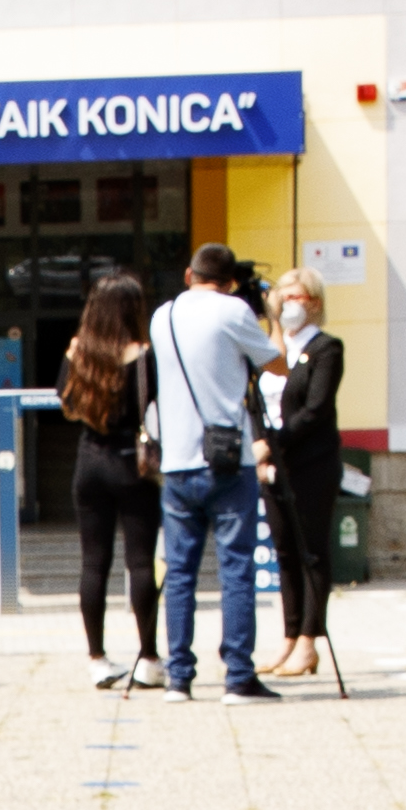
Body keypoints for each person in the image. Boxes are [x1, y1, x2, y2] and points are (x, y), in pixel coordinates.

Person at [146, 240, 284, 702]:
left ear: (189, 275)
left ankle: (179, 677)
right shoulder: (234, 312)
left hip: (177, 463)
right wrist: (273, 316)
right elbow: (276, 365)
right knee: (236, 569)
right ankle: (238, 676)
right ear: (229, 284)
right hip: (229, 460)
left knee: (180, 572)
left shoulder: (161, 318)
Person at [60, 269, 160, 687]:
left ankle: (97, 658)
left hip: (89, 461)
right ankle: (149, 659)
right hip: (131, 464)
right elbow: (158, 404)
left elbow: (66, 404)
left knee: (92, 563)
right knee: (140, 563)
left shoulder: (78, 351)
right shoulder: (145, 354)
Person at [260, 270, 345, 675]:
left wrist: (273, 443)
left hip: (311, 464)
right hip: (273, 467)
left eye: (301, 297)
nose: (292, 304)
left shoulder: (326, 349)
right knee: (286, 554)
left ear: (315, 302)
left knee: (311, 552)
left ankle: (310, 641)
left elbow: (315, 409)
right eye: (285, 297)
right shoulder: (273, 348)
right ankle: (289, 637)